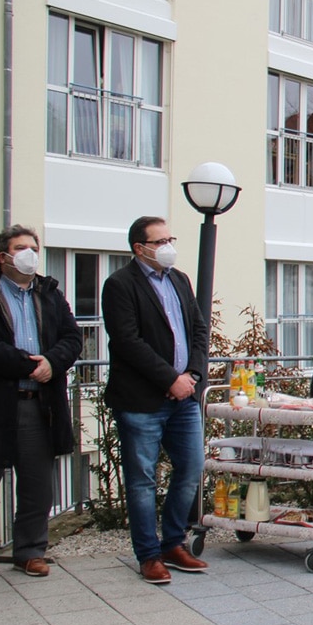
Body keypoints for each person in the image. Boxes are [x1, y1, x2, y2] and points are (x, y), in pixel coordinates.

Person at [0, 225, 83, 590]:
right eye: (22, 248)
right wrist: (27, 364)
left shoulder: (49, 292)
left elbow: (71, 337)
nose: (30, 254)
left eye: (34, 247)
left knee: (37, 486)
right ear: (3, 256)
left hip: (40, 404)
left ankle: (31, 551)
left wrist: (52, 362)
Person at [102, 216, 209, 584]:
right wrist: (170, 379)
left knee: (192, 468)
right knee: (142, 479)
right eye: (160, 241)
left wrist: (191, 375)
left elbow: (198, 329)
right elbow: (127, 341)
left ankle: (173, 542)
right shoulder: (119, 285)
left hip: (184, 398)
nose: (168, 246)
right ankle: (149, 555)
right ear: (139, 248)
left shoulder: (179, 279)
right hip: (141, 400)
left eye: (170, 238)